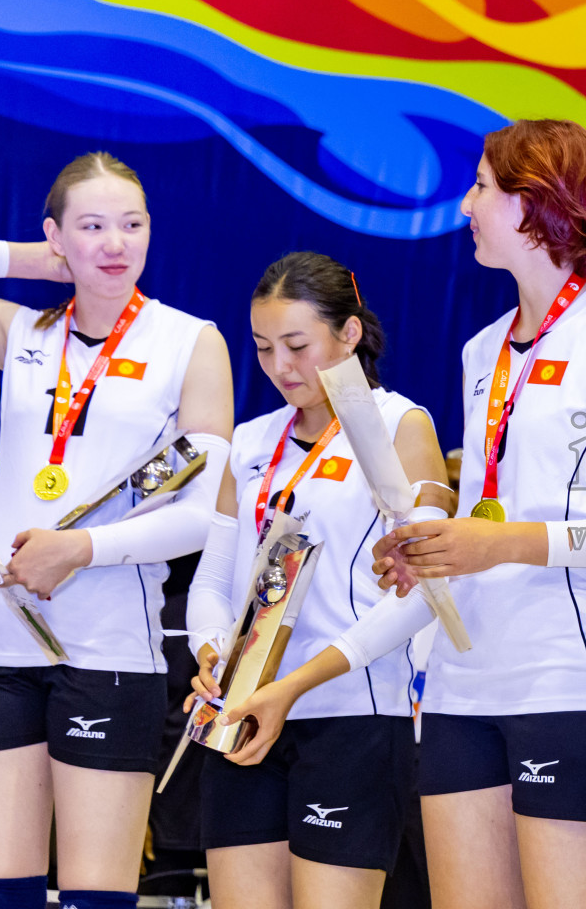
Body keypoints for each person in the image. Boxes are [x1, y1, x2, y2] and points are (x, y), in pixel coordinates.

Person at [236, 119, 586, 909]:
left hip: (573, 685)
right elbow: (482, 499)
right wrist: (428, 539)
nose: (466, 205)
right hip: (457, 691)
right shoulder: (484, 350)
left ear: (536, 202)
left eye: (481, 187)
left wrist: (499, 542)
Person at [0, 153, 233, 909]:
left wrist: (80, 549)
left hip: (107, 647)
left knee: (94, 901)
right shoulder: (21, 335)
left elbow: (205, 510)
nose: (116, 243)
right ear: (57, 237)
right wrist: (23, 263)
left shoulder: (189, 341)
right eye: (92, 226)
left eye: (132, 224)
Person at [182, 252, 450, 909]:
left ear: (349, 334)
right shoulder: (249, 444)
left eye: (298, 346)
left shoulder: (399, 426)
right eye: (264, 347)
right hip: (243, 717)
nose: (280, 367)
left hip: (350, 718)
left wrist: (295, 685)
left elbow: (428, 593)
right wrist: (213, 654)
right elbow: (213, 581)